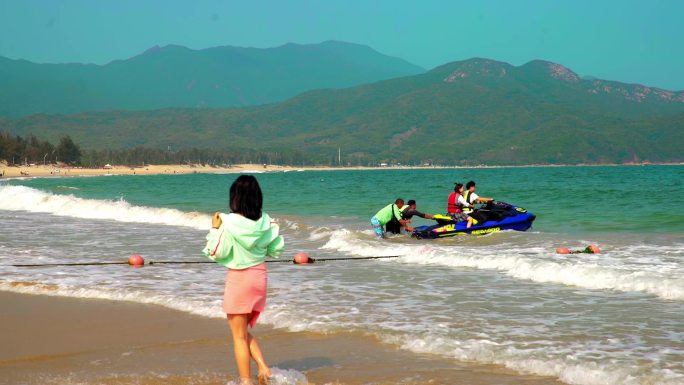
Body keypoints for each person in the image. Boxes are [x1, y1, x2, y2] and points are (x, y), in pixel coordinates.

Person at [202, 175, 284, 385]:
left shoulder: (227, 222)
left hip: (239, 279)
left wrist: (214, 228)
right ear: (257, 197)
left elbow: (218, 251)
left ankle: (246, 381)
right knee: (242, 332)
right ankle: (264, 368)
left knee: (238, 336)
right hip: (259, 278)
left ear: (235, 198)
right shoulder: (267, 221)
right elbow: (275, 250)